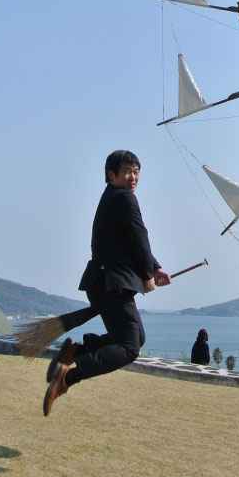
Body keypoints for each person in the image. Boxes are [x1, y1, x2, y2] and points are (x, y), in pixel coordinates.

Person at [43, 150, 170, 416]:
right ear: (111, 175)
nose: (133, 176)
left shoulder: (111, 198)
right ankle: (67, 378)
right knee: (129, 348)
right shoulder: (125, 198)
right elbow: (139, 237)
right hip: (112, 283)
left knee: (135, 338)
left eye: (136, 171)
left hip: (101, 282)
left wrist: (155, 267)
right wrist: (148, 275)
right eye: (127, 171)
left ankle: (75, 352)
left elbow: (129, 241)